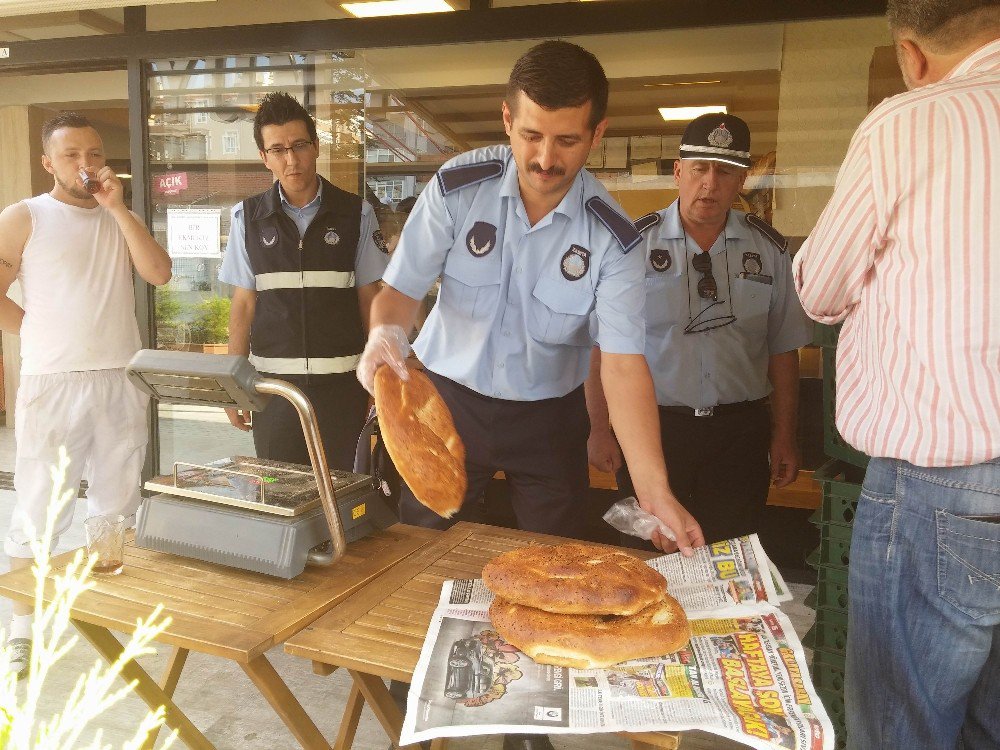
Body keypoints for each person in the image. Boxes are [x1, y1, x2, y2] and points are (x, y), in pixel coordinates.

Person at [357, 40, 703, 556]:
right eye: (531, 135)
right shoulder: (457, 188)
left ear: (597, 134)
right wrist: (384, 335)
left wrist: (654, 491)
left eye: (567, 140)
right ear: (506, 120)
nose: (545, 159)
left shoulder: (614, 237)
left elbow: (624, 365)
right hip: (449, 400)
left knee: (556, 560)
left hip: (549, 418)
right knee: (422, 550)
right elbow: (400, 293)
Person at [792, 2, 1000, 747]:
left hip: (938, 487)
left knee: (900, 727)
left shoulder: (908, 123)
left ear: (912, 54)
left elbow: (818, 288)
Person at [586, 114, 812, 546]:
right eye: (699, 169)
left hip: (739, 436)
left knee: (732, 556)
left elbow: (783, 351)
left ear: (742, 179)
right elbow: (600, 350)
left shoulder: (770, 251)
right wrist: (600, 429)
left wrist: (784, 436)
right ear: (678, 172)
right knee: (650, 555)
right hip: (653, 430)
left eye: (724, 171)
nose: (710, 183)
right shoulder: (631, 248)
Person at [0, 112, 172, 679]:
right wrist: (35, 330)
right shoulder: (26, 216)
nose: (85, 165)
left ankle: (110, 616)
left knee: (116, 502)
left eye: (94, 153)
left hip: (119, 375)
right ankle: (19, 629)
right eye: (71, 155)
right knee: (39, 503)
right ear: (48, 162)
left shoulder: (118, 216)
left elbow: (160, 274)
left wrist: (118, 208)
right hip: (54, 382)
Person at [219, 92, 389, 470]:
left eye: (299, 146)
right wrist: (233, 387)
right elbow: (243, 305)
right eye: (277, 149)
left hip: (342, 390)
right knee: (281, 494)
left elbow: (369, 296)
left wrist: (379, 374)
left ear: (315, 146)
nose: (291, 159)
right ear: (264, 158)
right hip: (274, 391)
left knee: (341, 494)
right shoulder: (246, 218)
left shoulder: (355, 214)